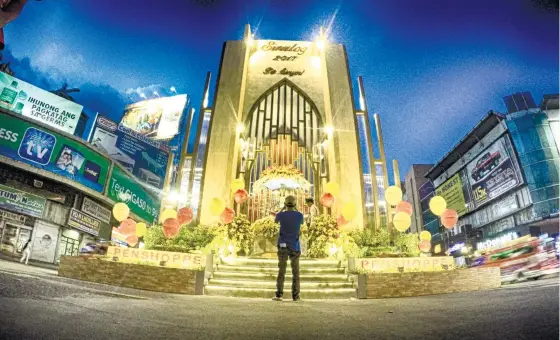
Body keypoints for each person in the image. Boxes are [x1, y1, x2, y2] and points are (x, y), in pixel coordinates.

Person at [273, 195, 303, 302]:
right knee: (296, 272)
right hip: (294, 246)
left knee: (281, 271)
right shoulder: (299, 215)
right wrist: (295, 209)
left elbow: (275, 221)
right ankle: (296, 296)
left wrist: (282, 209)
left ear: (285, 204)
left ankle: (279, 294)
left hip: (282, 245)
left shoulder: (281, 215)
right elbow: (301, 222)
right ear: (295, 204)